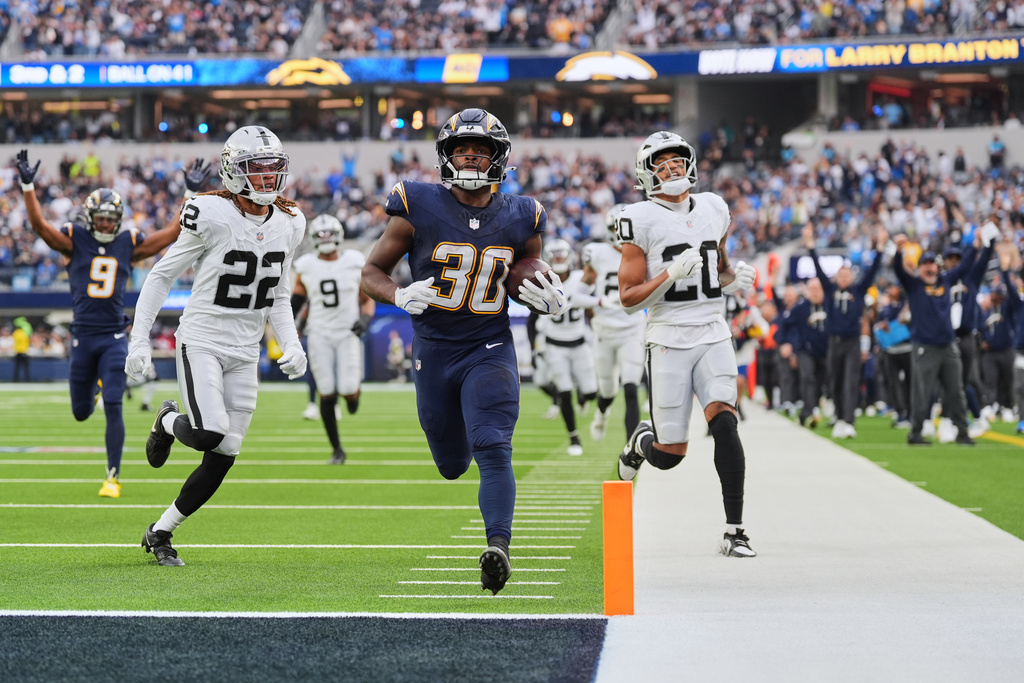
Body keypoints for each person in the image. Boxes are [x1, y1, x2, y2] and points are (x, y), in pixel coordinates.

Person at [360, 108, 568, 594]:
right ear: (445, 157)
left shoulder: (523, 214)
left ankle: (499, 546)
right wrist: (398, 295)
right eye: (461, 150)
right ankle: (470, 468)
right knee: (452, 464)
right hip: (433, 348)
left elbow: (524, 270)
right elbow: (371, 273)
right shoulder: (418, 204)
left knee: (494, 445)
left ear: (499, 158)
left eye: (480, 150)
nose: (470, 157)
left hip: (489, 344)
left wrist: (542, 291)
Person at [125, 126, 308, 566]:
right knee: (210, 432)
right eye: (256, 169)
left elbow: (278, 295)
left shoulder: (291, 221)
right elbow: (161, 275)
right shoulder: (208, 212)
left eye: (272, 169)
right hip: (203, 339)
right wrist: (140, 339)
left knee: (225, 452)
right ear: (232, 171)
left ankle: (161, 531)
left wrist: (292, 343)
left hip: (247, 351)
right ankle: (167, 420)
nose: (267, 178)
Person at [17, 149, 198, 497]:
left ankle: (112, 477)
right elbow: (39, 225)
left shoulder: (127, 243)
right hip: (82, 338)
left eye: (109, 219)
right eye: (99, 219)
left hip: (116, 335)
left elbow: (172, 232)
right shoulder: (74, 240)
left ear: (118, 219)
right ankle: (95, 391)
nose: (104, 224)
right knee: (82, 412)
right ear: (89, 218)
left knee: (114, 403)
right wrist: (28, 185)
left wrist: (188, 194)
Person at [613, 131, 758, 558]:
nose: (672, 168)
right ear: (647, 174)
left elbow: (720, 271)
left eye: (678, 161)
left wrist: (737, 282)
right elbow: (627, 299)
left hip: (713, 330)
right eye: (662, 163)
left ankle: (736, 530)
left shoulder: (714, 206)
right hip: (668, 338)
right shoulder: (638, 217)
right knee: (670, 454)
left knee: (725, 420)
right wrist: (669, 276)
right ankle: (643, 442)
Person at [892, 224, 999, 445]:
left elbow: (966, 266)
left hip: (948, 345)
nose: (930, 269)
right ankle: (916, 432)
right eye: (926, 265)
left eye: (932, 264)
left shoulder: (945, 281)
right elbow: (899, 270)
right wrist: (898, 251)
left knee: (956, 390)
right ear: (920, 268)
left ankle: (962, 431)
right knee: (922, 392)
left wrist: (977, 245)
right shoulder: (914, 286)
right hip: (925, 346)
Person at [292, 214, 375, 464]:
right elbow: (300, 299)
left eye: (329, 234)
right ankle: (337, 449)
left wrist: (365, 320)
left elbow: (367, 298)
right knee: (326, 390)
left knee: (348, 391)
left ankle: (352, 398)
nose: (326, 239)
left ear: (338, 236)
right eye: (321, 235)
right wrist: (296, 324)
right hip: (319, 332)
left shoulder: (353, 261)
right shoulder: (306, 265)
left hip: (347, 331)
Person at [804, 223, 887, 438]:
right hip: (834, 342)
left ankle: (849, 421)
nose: (843, 278)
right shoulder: (830, 290)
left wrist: (880, 248)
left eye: (847, 275)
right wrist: (811, 246)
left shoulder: (859, 291)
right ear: (836, 278)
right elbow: (819, 270)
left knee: (851, 381)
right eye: (840, 275)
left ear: (851, 277)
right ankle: (840, 418)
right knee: (835, 381)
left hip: (852, 342)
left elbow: (873, 271)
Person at [582, 204, 646, 443]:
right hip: (604, 330)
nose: (621, 234)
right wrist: (592, 300)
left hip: (632, 330)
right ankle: (601, 413)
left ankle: (631, 448)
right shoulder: (595, 252)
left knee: (631, 388)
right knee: (607, 391)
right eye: (616, 228)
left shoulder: (644, 252)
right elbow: (582, 285)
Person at [538, 238, 597, 455]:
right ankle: (574, 438)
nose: (558, 260)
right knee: (564, 392)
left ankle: (584, 396)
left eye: (561, 256)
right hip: (555, 346)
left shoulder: (582, 278)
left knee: (591, 393)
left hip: (580, 343)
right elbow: (534, 317)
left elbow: (590, 306)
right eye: (555, 257)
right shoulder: (542, 282)